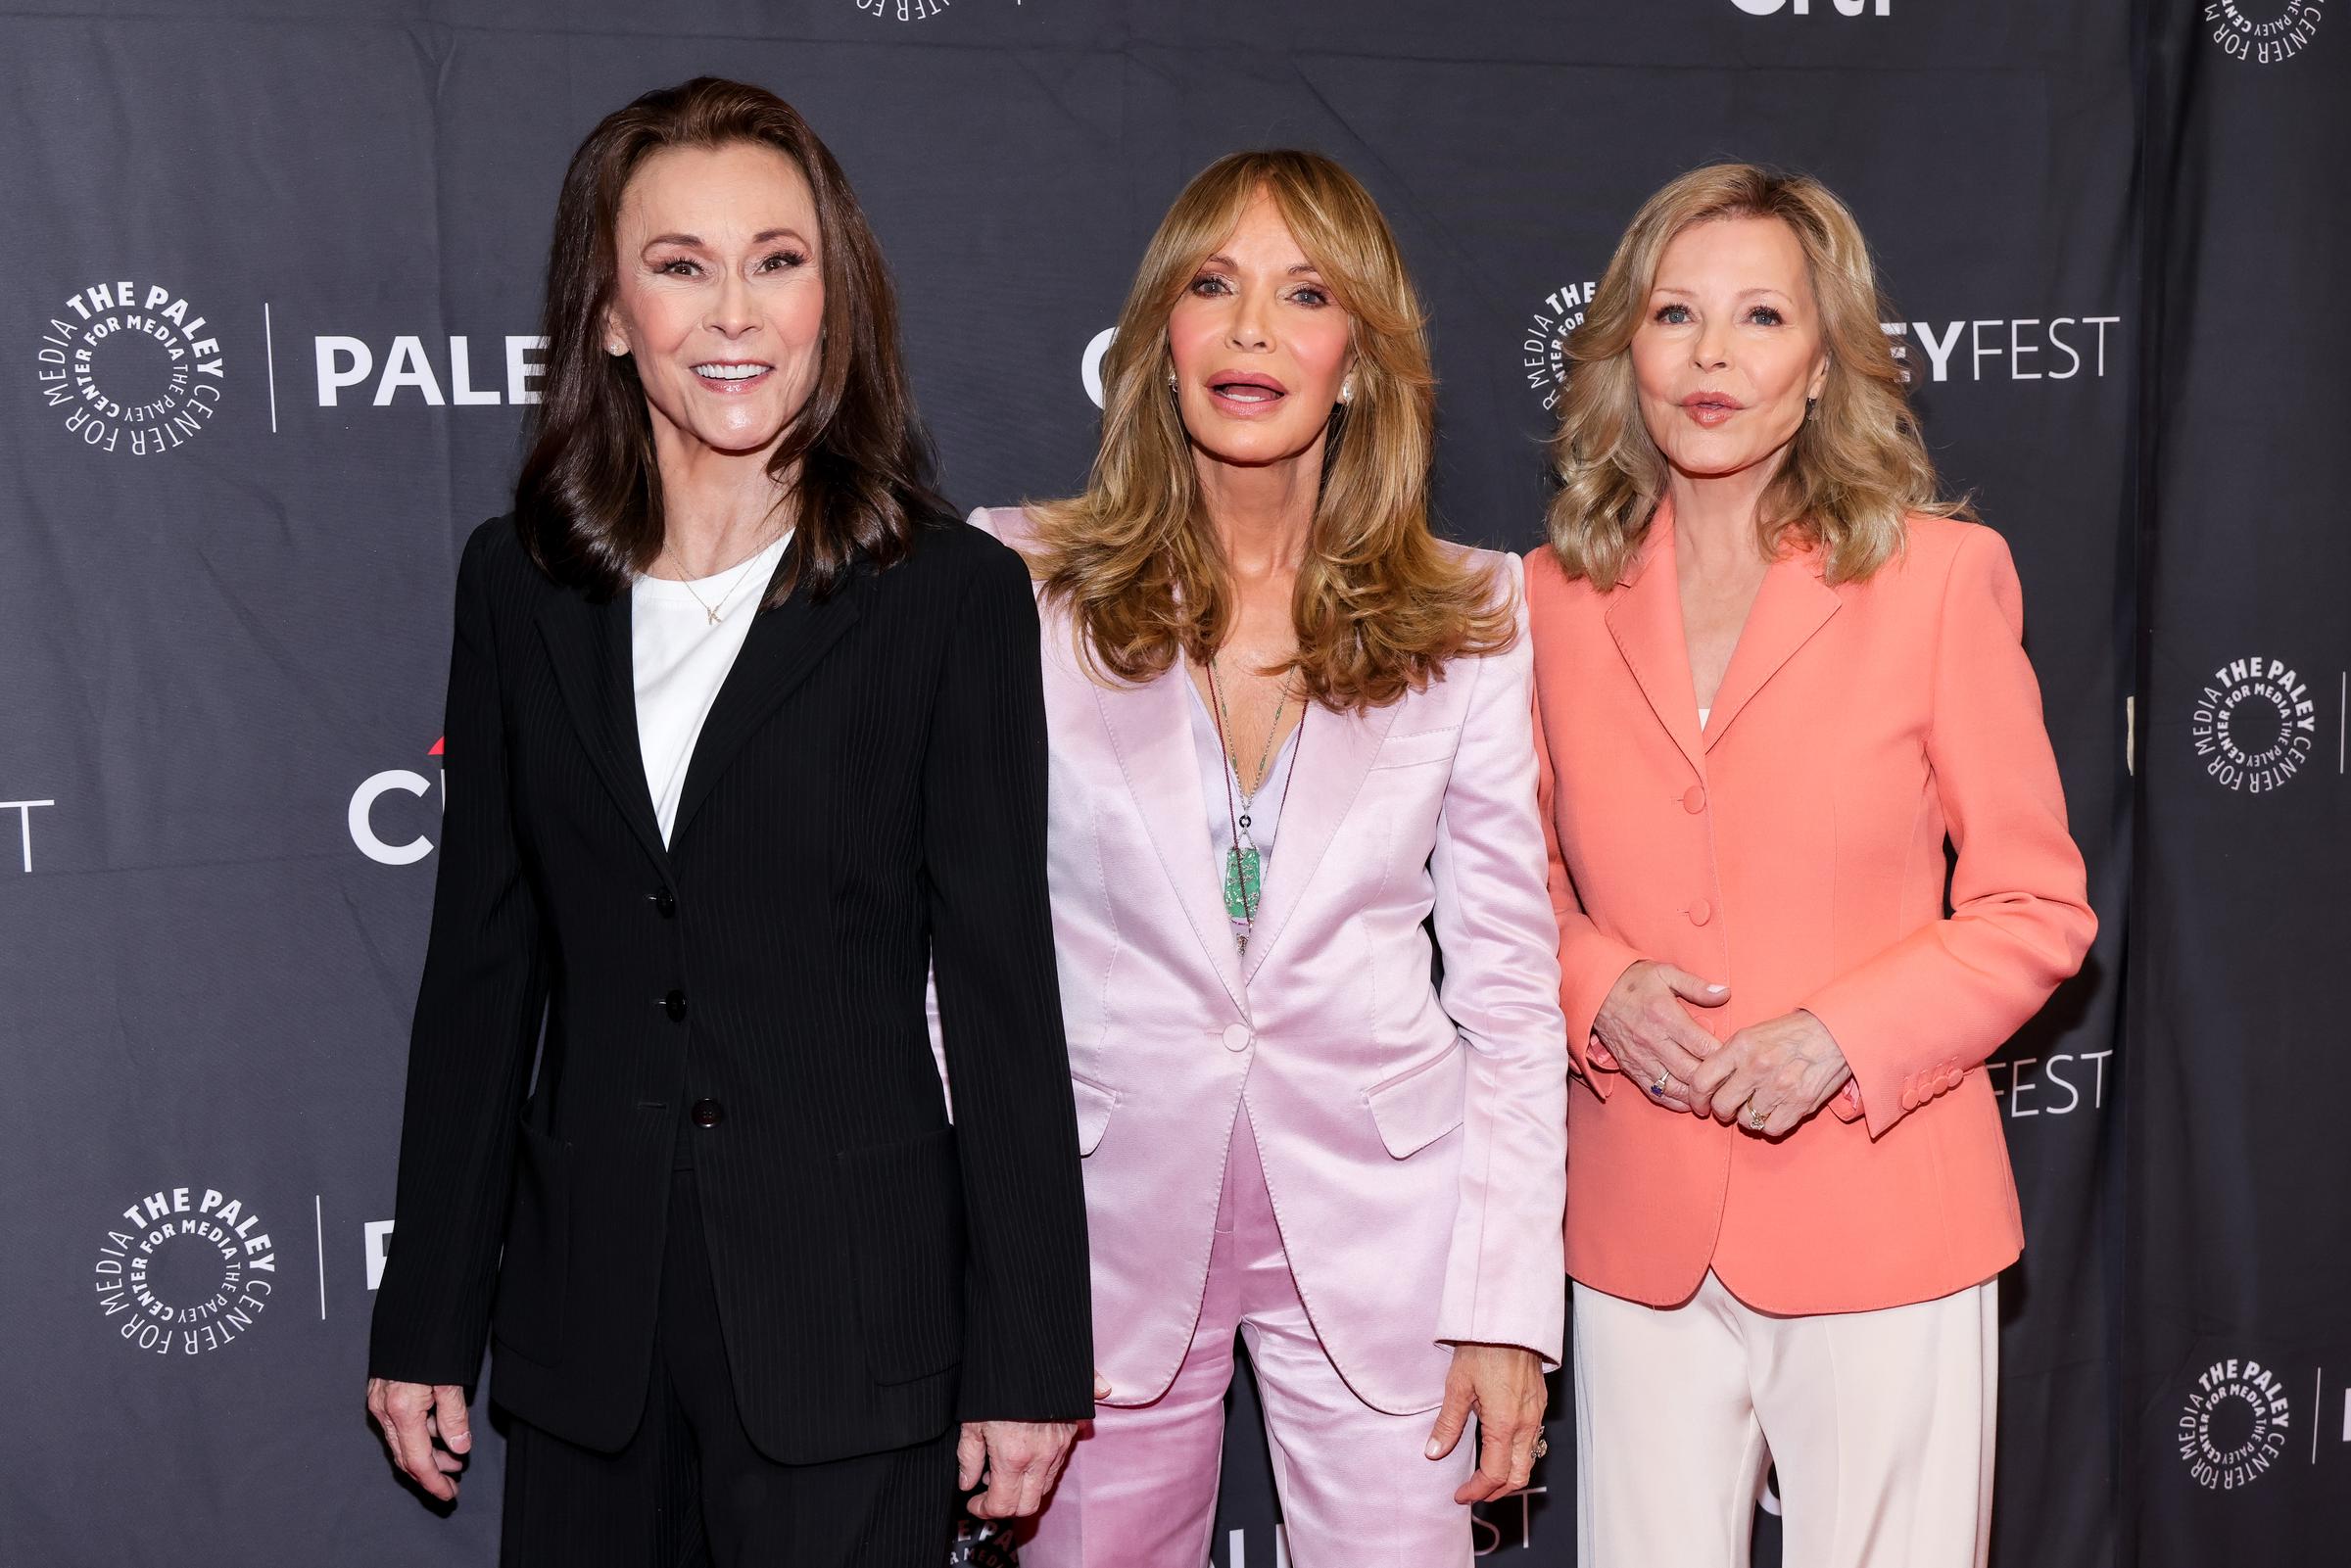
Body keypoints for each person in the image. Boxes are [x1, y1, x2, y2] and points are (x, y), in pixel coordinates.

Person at [361, 76, 1092, 1567]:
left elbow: (1006, 988)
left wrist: (1029, 1354)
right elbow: (484, 967)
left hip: (852, 1329)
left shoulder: (948, 599)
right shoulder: (518, 585)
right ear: (610, 312)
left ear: (836, 295)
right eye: (679, 265)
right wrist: (427, 1307)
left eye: (777, 257)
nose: (734, 312)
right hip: (587, 1339)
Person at [974, 149, 1569, 1568]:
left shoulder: (1475, 613)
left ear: (1358, 357)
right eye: (1212, 284)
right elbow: (958, 966)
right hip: (1096, 1230)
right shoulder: (1016, 589)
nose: (1250, 330)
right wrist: (982, 1290)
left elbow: (1507, 984)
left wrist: (1505, 1305)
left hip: (1391, 1235)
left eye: (1305, 294)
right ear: (1158, 339)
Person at [1525, 163, 2098, 1568]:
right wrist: (1597, 986)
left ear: (1826, 363)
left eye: (1763, 316)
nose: (1713, 354)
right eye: (1676, 313)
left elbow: (2035, 906)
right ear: (1625, 352)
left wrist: (1837, 1037)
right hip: (1639, 1221)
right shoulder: (1542, 600)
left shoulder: (1940, 578)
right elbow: (1504, 886)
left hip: (1885, 1207)